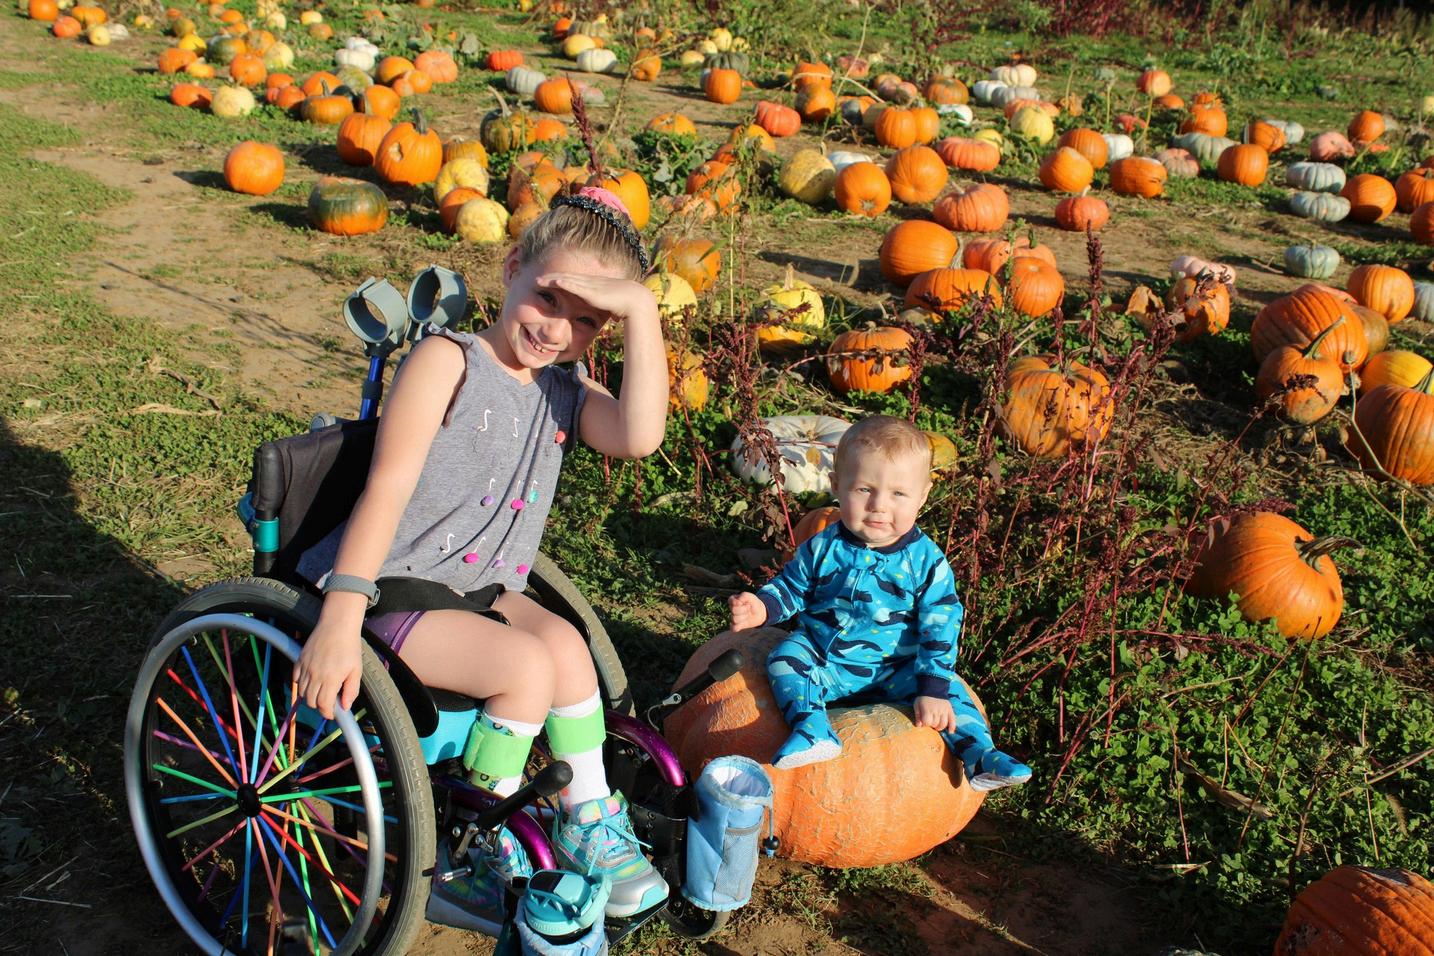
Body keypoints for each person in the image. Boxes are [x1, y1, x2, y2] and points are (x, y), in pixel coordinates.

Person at [293, 186, 670, 920]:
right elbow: (387, 488)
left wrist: (642, 311)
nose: (557, 330)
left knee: (567, 649)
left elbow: (640, 435)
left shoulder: (565, 390)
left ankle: (589, 817)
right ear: (511, 267)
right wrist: (339, 619)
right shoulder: (448, 361)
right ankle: (468, 846)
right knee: (525, 667)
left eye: (587, 320)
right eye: (548, 298)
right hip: (393, 588)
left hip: (476, 590)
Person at [728, 415, 1032, 792]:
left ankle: (980, 755)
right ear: (836, 485)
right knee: (785, 660)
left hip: (896, 668)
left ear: (922, 496)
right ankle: (812, 728)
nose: (879, 506)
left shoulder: (925, 562)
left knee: (952, 693)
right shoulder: (823, 546)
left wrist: (931, 687)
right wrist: (763, 607)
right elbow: (793, 586)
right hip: (825, 660)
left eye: (898, 494)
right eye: (864, 489)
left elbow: (941, 626)